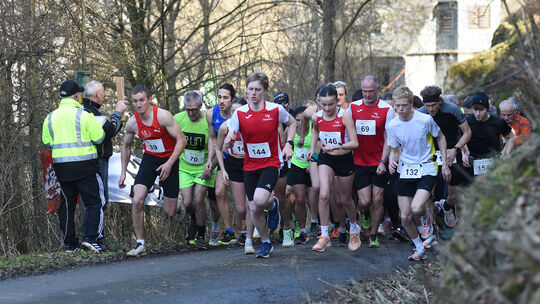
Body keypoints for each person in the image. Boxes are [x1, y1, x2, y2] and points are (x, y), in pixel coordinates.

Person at [224, 72, 296, 258]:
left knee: (260, 199)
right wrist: (229, 142)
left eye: (257, 89)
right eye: (250, 89)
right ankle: (265, 242)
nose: (253, 93)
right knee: (254, 207)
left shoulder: (275, 110)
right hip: (249, 165)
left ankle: (272, 206)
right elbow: (229, 139)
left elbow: (293, 123)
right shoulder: (239, 113)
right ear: (246, 91)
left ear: (264, 91)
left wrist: (289, 144)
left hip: (271, 162)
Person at [119, 85, 187, 256]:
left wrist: (170, 163)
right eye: (135, 101)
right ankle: (140, 243)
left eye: (142, 100)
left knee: (170, 212)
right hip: (149, 160)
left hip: (169, 159)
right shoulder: (133, 122)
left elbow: (181, 141)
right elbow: (126, 146)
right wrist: (123, 172)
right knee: (137, 200)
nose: (138, 104)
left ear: (149, 99)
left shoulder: (163, 116)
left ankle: (179, 203)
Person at [387, 86, 451, 261]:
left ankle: (427, 225)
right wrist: (393, 161)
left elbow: (441, 137)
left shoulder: (424, 120)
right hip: (406, 168)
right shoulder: (393, 125)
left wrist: (444, 163)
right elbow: (394, 150)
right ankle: (419, 246)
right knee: (405, 216)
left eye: (403, 106)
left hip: (426, 167)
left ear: (411, 104)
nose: (400, 109)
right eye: (397, 106)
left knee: (416, 208)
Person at [42, 80, 106, 252]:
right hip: (85, 167)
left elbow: (47, 141)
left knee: (67, 205)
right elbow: (99, 137)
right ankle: (91, 238)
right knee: (94, 203)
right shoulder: (83, 115)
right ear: (77, 96)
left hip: (62, 169)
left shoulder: (50, 117)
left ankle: (70, 244)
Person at [308, 85, 360, 252]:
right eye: (324, 104)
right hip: (326, 158)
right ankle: (324, 235)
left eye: (331, 104)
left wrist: (338, 146)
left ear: (337, 101)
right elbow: (316, 129)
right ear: (319, 103)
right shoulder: (317, 117)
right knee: (323, 194)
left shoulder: (344, 116)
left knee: (345, 199)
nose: (328, 108)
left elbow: (355, 143)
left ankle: (354, 228)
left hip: (344, 159)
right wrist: (311, 148)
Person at [418, 86, 471, 241]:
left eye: (433, 105)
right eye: (427, 106)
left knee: (454, 196)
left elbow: (467, 132)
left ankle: (447, 206)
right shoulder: (420, 113)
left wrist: (456, 149)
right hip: (431, 154)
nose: (431, 109)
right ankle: (432, 229)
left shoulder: (452, 109)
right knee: (428, 195)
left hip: (451, 152)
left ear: (440, 102)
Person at [348, 76, 394, 248]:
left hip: (379, 160)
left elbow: (389, 137)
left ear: (378, 90)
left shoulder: (386, 109)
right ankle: (364, 214)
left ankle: (373, 234)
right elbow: (347, 132)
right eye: (365, 91)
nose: (367, 95)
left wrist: (383, 161)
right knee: (365, 201)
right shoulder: (353, 107)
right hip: (359, 161)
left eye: (371, 91)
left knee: (378, 199)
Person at [174, 91, 215, 249]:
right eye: (188, 109)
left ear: (200, 106)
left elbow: (215, 143)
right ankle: (193, 219)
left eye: (194, 109)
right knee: (188, 202)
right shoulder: (178, 119)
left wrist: (210, 164)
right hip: (184, 168)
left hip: (204, 167)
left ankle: (201, 236)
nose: (191, 113)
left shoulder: (208, 120)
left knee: (198, 199)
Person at [216, 97, 252, 253]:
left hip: (250, 164)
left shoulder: (251, 126)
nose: (235, 114)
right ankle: (244, 232)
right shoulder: (225, 127)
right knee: (241, 208)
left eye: (238, 111)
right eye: (232, 112)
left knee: (252, 203)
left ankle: (250, 234)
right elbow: (218, 149)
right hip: (234, 165)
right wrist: (223, 170)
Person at [83, 81, 126, 207]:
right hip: (97, 161)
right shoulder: (93, 113)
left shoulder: (80, 109)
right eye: (103, 93)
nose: (104, 96)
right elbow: (110, 130)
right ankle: (95, 227)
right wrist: (118, 112)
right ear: (97, 94)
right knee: (100, 201)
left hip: (83, 160)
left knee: (91, 201)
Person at [206, 83, 238, 245]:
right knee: (219, 192)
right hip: (223, 156)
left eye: (225, 97)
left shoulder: (239, 112)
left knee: (244, 198)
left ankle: (247, 230)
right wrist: (209, 160)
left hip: (241, 157)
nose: (221, 100)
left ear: (232, 99)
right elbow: (213, 138)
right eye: (219, 97)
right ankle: (229, 231)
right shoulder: (211, 113)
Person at [287, 105, 319, 244]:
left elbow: (321, 146)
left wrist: (314, 161)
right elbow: (285, 144)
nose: (300, 123)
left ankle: (314, 222)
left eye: (302, 120)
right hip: (296, 165)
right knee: (300, 199)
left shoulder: (313, 128)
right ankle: (302, 230)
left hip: (311, 165)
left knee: (313, 197)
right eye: (297, 120)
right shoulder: (291, 129)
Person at [462, 92, 514, 178]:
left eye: (481, 110)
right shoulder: (467, 122)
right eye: (475, 110)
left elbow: (511, 137)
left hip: (494, 161)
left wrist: (505, 153)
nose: (478, 114)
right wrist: (463, 154)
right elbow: (459, 140)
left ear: (487, 109)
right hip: (474, 162)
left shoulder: (498, 122)